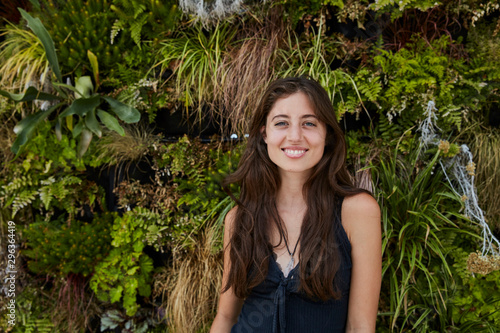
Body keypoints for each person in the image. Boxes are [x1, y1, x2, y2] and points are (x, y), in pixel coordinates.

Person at [210, 77, 381, 333]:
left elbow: (360, 327)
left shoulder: (357, 212)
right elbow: (225, 317)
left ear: (327, 134)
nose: (294, 136)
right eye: (281, 123)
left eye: (309, 123)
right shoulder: (240, 219)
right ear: (264, 134)